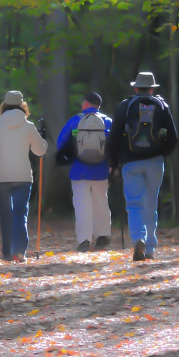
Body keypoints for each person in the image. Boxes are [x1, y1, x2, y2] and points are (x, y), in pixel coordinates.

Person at [105, 72, 178, 261]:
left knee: (134, 204)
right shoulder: (162, 106)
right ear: (152, 88)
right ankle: (151, 249)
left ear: (135, 88)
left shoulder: (124, 106)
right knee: (151, 204)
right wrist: (162, 153)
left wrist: (113, 163)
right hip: (155, 162)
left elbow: (113, 138)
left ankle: (139, 238)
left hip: (130, 162)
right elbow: (173, 137)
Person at [0, 91, 48, 262]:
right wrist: (43, 139)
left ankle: (6, 252)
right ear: (22, 106)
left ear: (4, 105)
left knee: (5, 215)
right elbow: (39, 151)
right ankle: (18, 251)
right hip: (23, 176)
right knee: (20, 214)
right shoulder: (29, 126)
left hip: (0, 176)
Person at [56, 92, 113, 252]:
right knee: (101, 201)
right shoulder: (107, 121)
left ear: (85, 103)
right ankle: (102, 235)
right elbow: (116, 144)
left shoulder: (76, 120)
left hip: (79, 170)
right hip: (101, 169)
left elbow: (61, 143)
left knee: (82, 204)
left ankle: (84, 240)